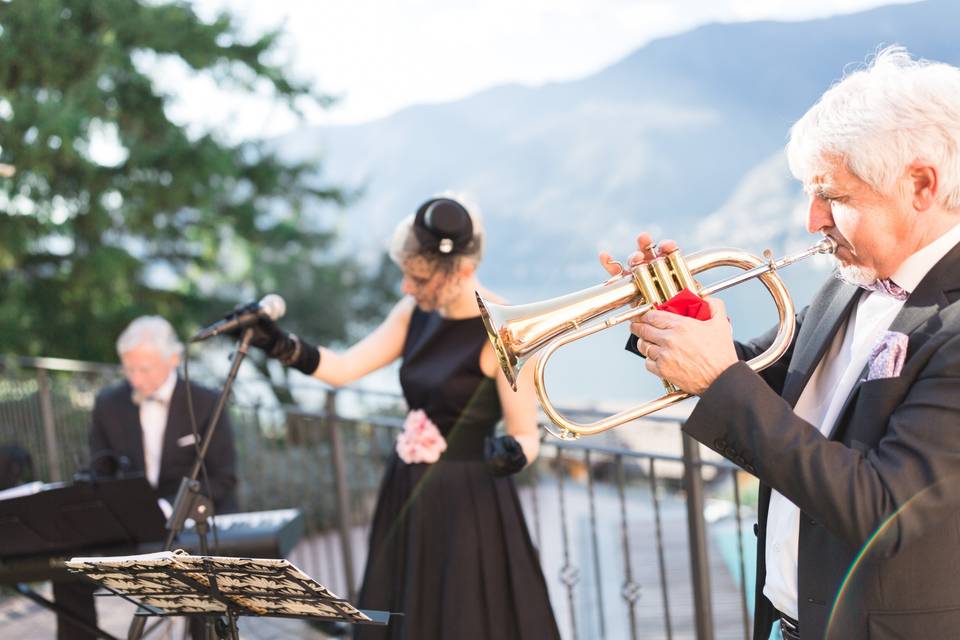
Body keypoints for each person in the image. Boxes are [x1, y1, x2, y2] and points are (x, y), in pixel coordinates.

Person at [602, 46, 960, 640]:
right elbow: (768, 383)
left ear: (921, 184)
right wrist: (670, 314)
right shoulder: (852, 284)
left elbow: (881, 509)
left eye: (835, 197)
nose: (811, 220)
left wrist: (719, 379)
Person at [246, 195, 560, 639]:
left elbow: (526, 433)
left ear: (462, 271)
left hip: (469, 501)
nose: (406, 288)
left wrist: (514, 453)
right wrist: (283, 346)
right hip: (408, 489)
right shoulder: (413, 313)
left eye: (418, 277)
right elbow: (344, 368)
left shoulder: (505, 330)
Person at [55, 315, 237, 640]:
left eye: (146, 369)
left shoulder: (208, 402)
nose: (136, 379)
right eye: (129, 369)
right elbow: (101, 470)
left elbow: (224, 478)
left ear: (174, 360)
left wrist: (171, 511)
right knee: (66, 565)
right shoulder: (108, 404)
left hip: (190, 524)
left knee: (202, 574)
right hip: (129, 522)